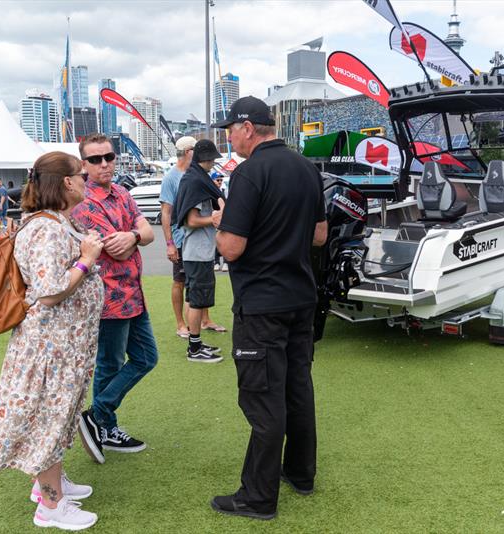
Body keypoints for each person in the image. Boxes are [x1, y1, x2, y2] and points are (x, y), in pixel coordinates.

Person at [209, 96, 328, 520]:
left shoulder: (249, 173)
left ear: (247, 128)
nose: (228, 137)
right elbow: (319, 235)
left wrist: (223, 220)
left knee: (263, 398)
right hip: (300, 297)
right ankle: (300, 472)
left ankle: (257, 498)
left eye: (230, 129)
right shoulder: (306, 168)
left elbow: (232, 247)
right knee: (297, 386)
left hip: (262, 303)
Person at [0, 151, 104, 531]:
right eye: (81, 174)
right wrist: (86, 259)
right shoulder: (46, 228)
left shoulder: (55, 222)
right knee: (49, 421)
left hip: (63, 346)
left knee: (58, 416)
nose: (87, 179)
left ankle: (51, 485)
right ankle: (50, 506)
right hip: (51, 349)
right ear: (66, 182)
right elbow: (50, 291)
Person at [72, 133, 158, 463]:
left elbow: (146, 233)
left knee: (146, 358)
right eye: (95, 159)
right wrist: (135, 236)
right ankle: (105, 425)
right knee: (110, 364)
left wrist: (134, 235)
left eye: (109, 156)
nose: (105, 163)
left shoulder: (121, 192)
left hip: (133, 294)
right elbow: (116, 249)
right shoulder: (84, 202)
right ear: (84, 164)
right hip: (107, 297)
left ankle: (98, 415)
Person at [159, 136, 226, 338]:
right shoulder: (174, 178)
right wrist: (170, 243)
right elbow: (168, 213)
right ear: (189, 152)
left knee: (198, 287)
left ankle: (204, 321)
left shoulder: (197, 175)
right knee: (183, 283)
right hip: (184, 240)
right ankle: (183, 327)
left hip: (200, 243)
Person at [212, 173, 228, 272]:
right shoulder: (210, 191)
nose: (219, 182)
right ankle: (216, 262)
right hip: (213, 218)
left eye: (221, 180)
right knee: (215, 241)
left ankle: (226, 262)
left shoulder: (224, 190)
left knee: (225, 240)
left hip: (224, 218)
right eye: (217, 180)